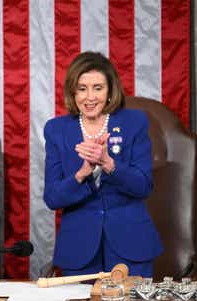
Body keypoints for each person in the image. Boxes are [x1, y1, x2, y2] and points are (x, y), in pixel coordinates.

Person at [43, 51, 163, 278]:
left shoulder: (134, 122)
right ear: (72, 91)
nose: (90, 97)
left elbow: (143, 186)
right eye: (82, 88)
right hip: (78, 248)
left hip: (131, 244)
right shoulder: (56, 129)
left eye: (98, 88)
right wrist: (82, 173)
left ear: (110, 91)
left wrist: (108, 163)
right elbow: (53, 198)